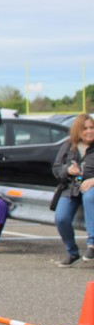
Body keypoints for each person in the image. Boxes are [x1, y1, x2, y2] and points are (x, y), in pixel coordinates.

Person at [51, 113, 94, 267]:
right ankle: (72, 252)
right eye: (85, 128)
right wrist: (68, 170)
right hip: (71, 188)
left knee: (90, 197)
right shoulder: (69, 146)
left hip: (91, 187)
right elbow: (56, 169)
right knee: (61, 218)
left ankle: (92, 245)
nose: (89, 131)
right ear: (77, 131)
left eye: (92, 127)